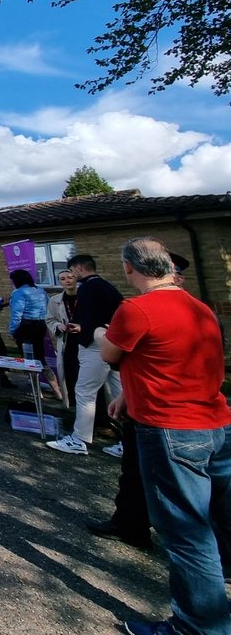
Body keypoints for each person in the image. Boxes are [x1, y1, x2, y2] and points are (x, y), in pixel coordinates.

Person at [101, 237, 231, 635]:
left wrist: (98, 335)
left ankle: (199, 626)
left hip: (171, 429)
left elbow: (109, 354)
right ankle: (215, 591)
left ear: (128, 267)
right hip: (216, 425)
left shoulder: (136, 308)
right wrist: (128, 394)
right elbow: (171, 359)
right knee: (223, 521)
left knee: (188, 533)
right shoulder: (199, 308)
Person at [46, 254, 124, 456]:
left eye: (71, 271)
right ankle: (128, 440)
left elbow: (89, 318)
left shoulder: (88, 288)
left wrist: (83, 330)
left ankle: (79, 439)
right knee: (119, 392)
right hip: (114, 344)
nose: (70, 275)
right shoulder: (108, 287)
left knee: (85, 391)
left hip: (95, 346)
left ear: (79, 268)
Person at [8, 269, 64, 400]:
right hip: (40, 326)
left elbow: (17, 315)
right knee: (41, 359)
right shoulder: (41, 291)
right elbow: (48, 307)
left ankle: (37, 391)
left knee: (29, 361)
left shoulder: (19, 293)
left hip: (25, 328)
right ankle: (58, 392)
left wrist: (12, 331)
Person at [48, 269, 80, 409]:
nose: (67, 280)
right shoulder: (55, 300)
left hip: (85, 341)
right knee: (70, 374)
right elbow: (49, 319)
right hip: (67, 342)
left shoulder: (85, 296)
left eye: (70, 277)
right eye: (63, 279)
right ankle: (73, 404)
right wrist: (57, 325)